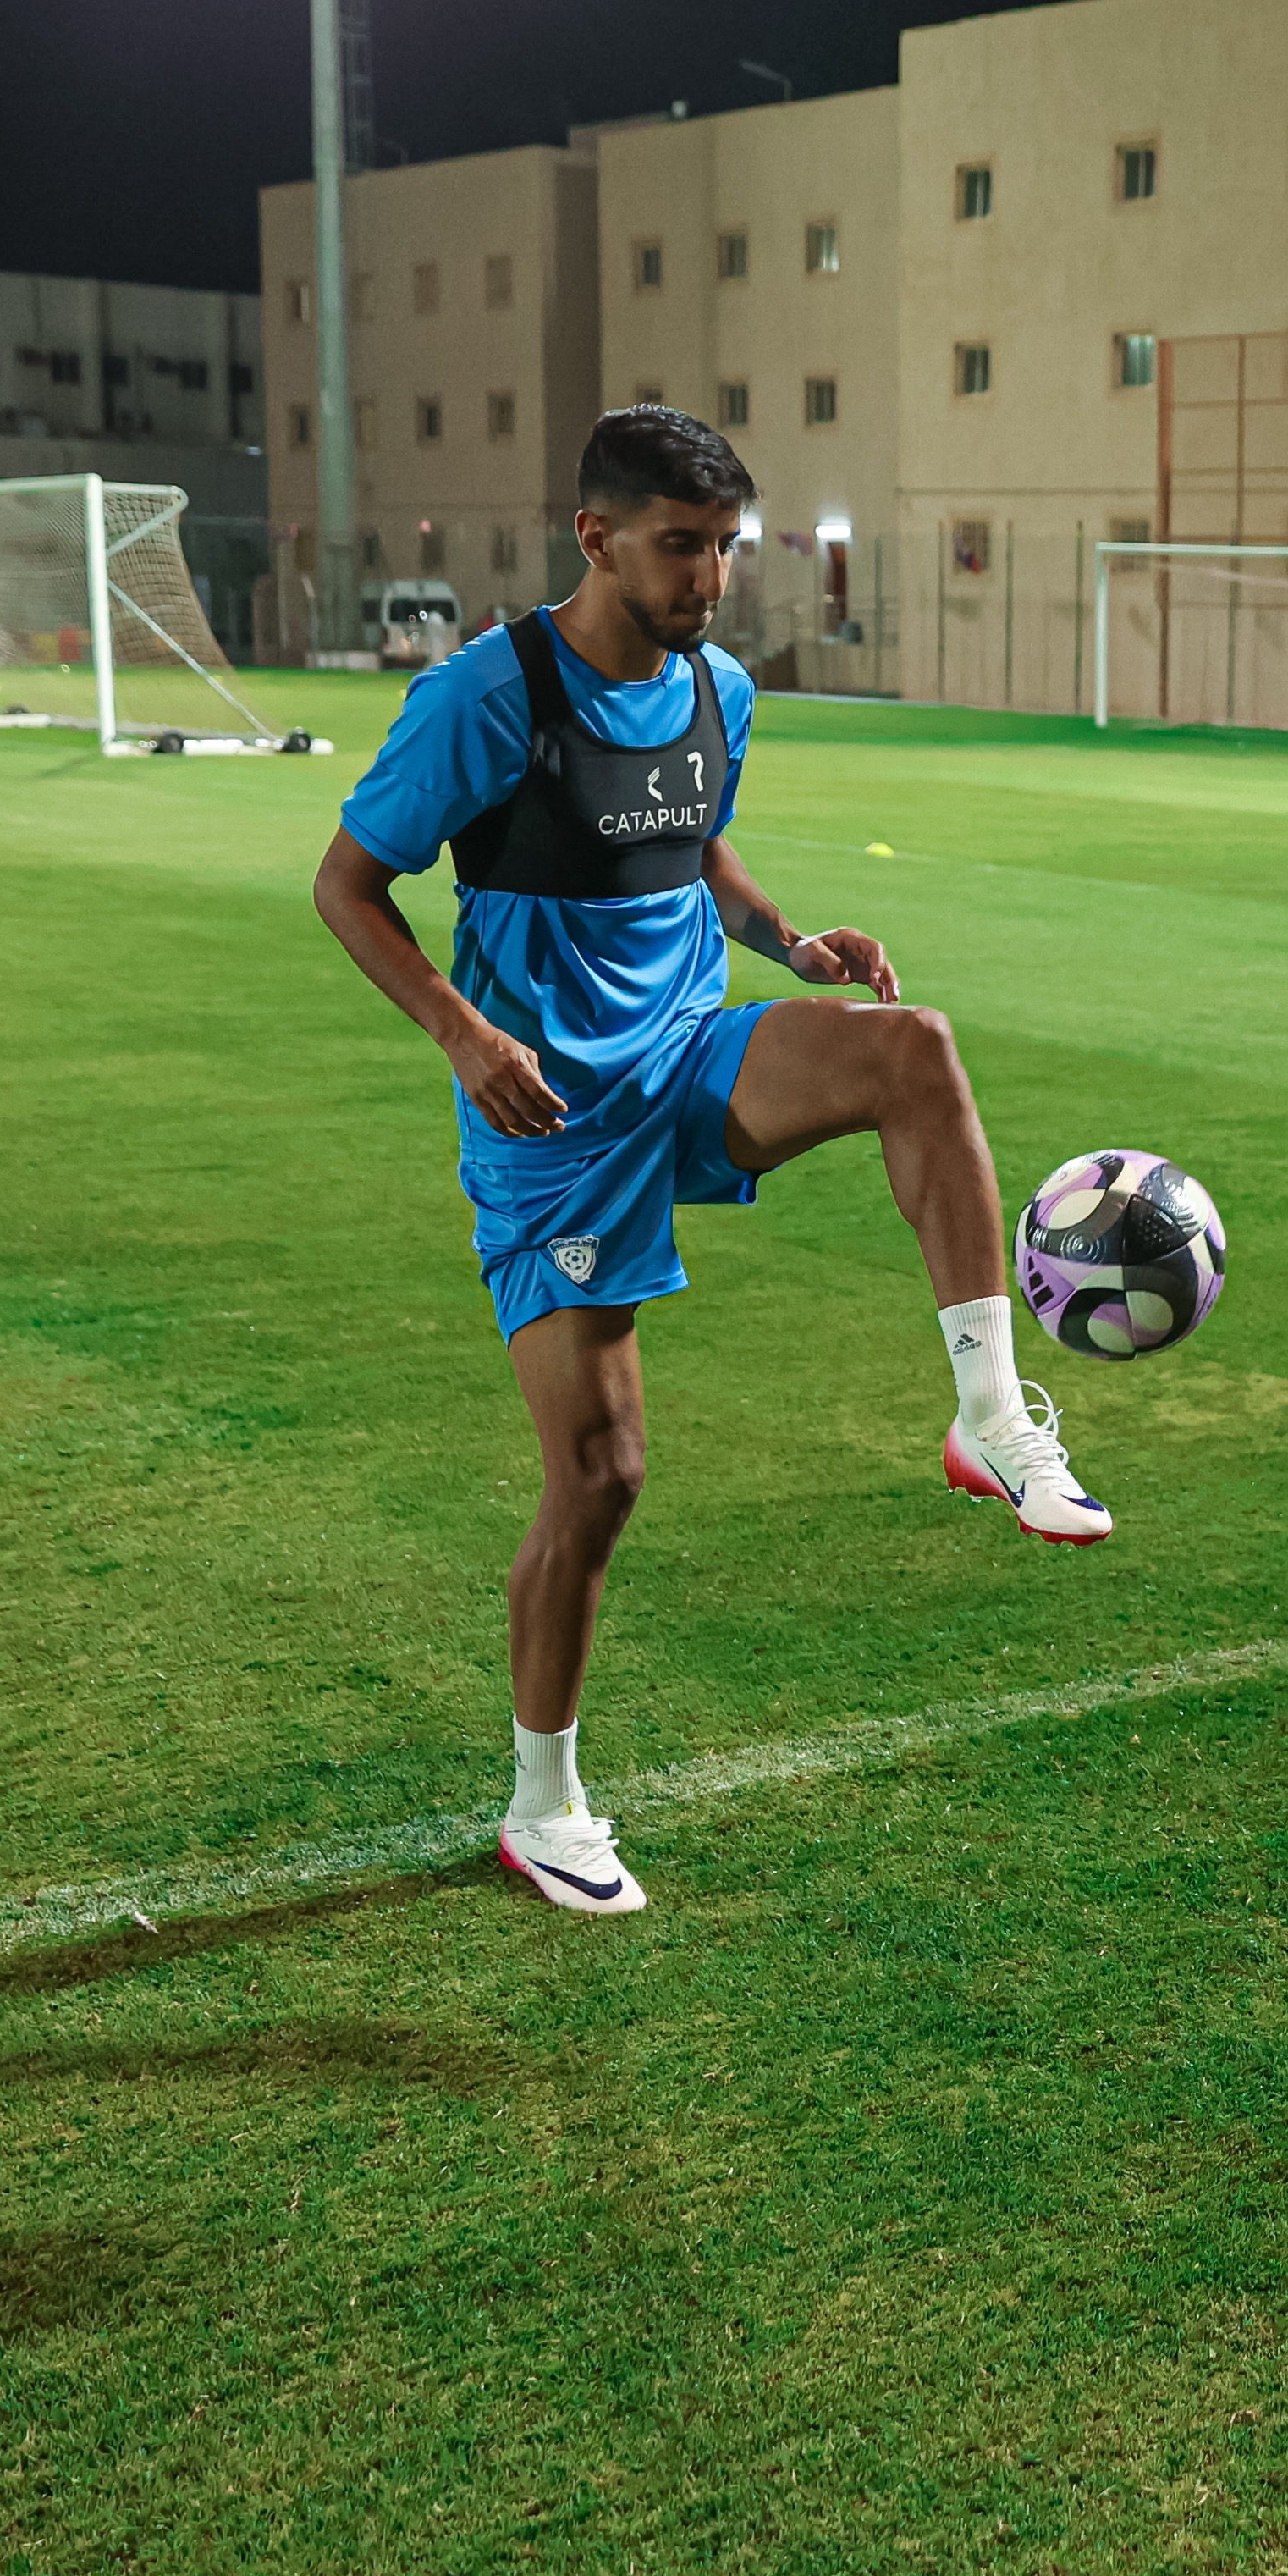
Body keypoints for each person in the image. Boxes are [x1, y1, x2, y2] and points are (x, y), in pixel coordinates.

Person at [313, 405, 1110, 1919]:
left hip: (689, 1050)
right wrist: (467, 1037)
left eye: (729, 547)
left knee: (912, 1048)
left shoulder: (719, 689)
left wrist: (785, 939)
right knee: (601, 1477)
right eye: (685, 545)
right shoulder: (485, 697)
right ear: (596, 534)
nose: (713, 578)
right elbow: (349, 886)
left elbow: (695, 839)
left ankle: (992, 1416)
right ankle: (544, 1803)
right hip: (549, 1120)